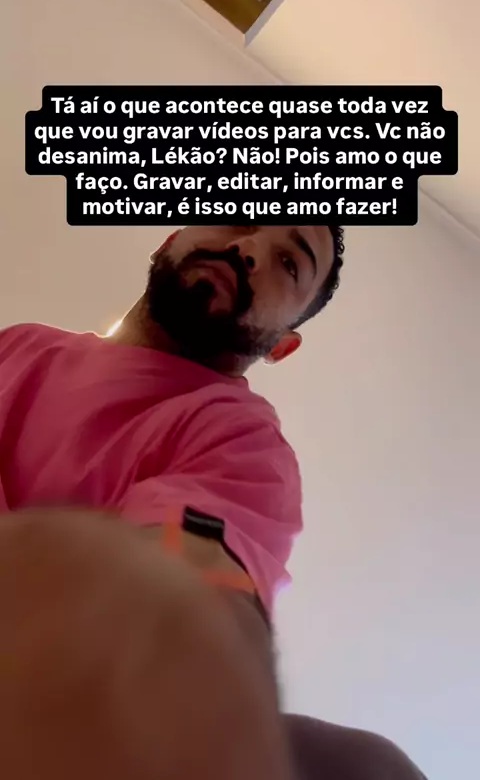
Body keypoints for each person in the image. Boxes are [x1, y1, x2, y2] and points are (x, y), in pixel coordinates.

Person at [0, 225, 424, 779]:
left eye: (289, 263)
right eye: (236, 216)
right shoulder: (17, 346)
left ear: (282, 345)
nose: (248, 249)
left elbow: (189, 601)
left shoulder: (242, 443)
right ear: (169, 239)